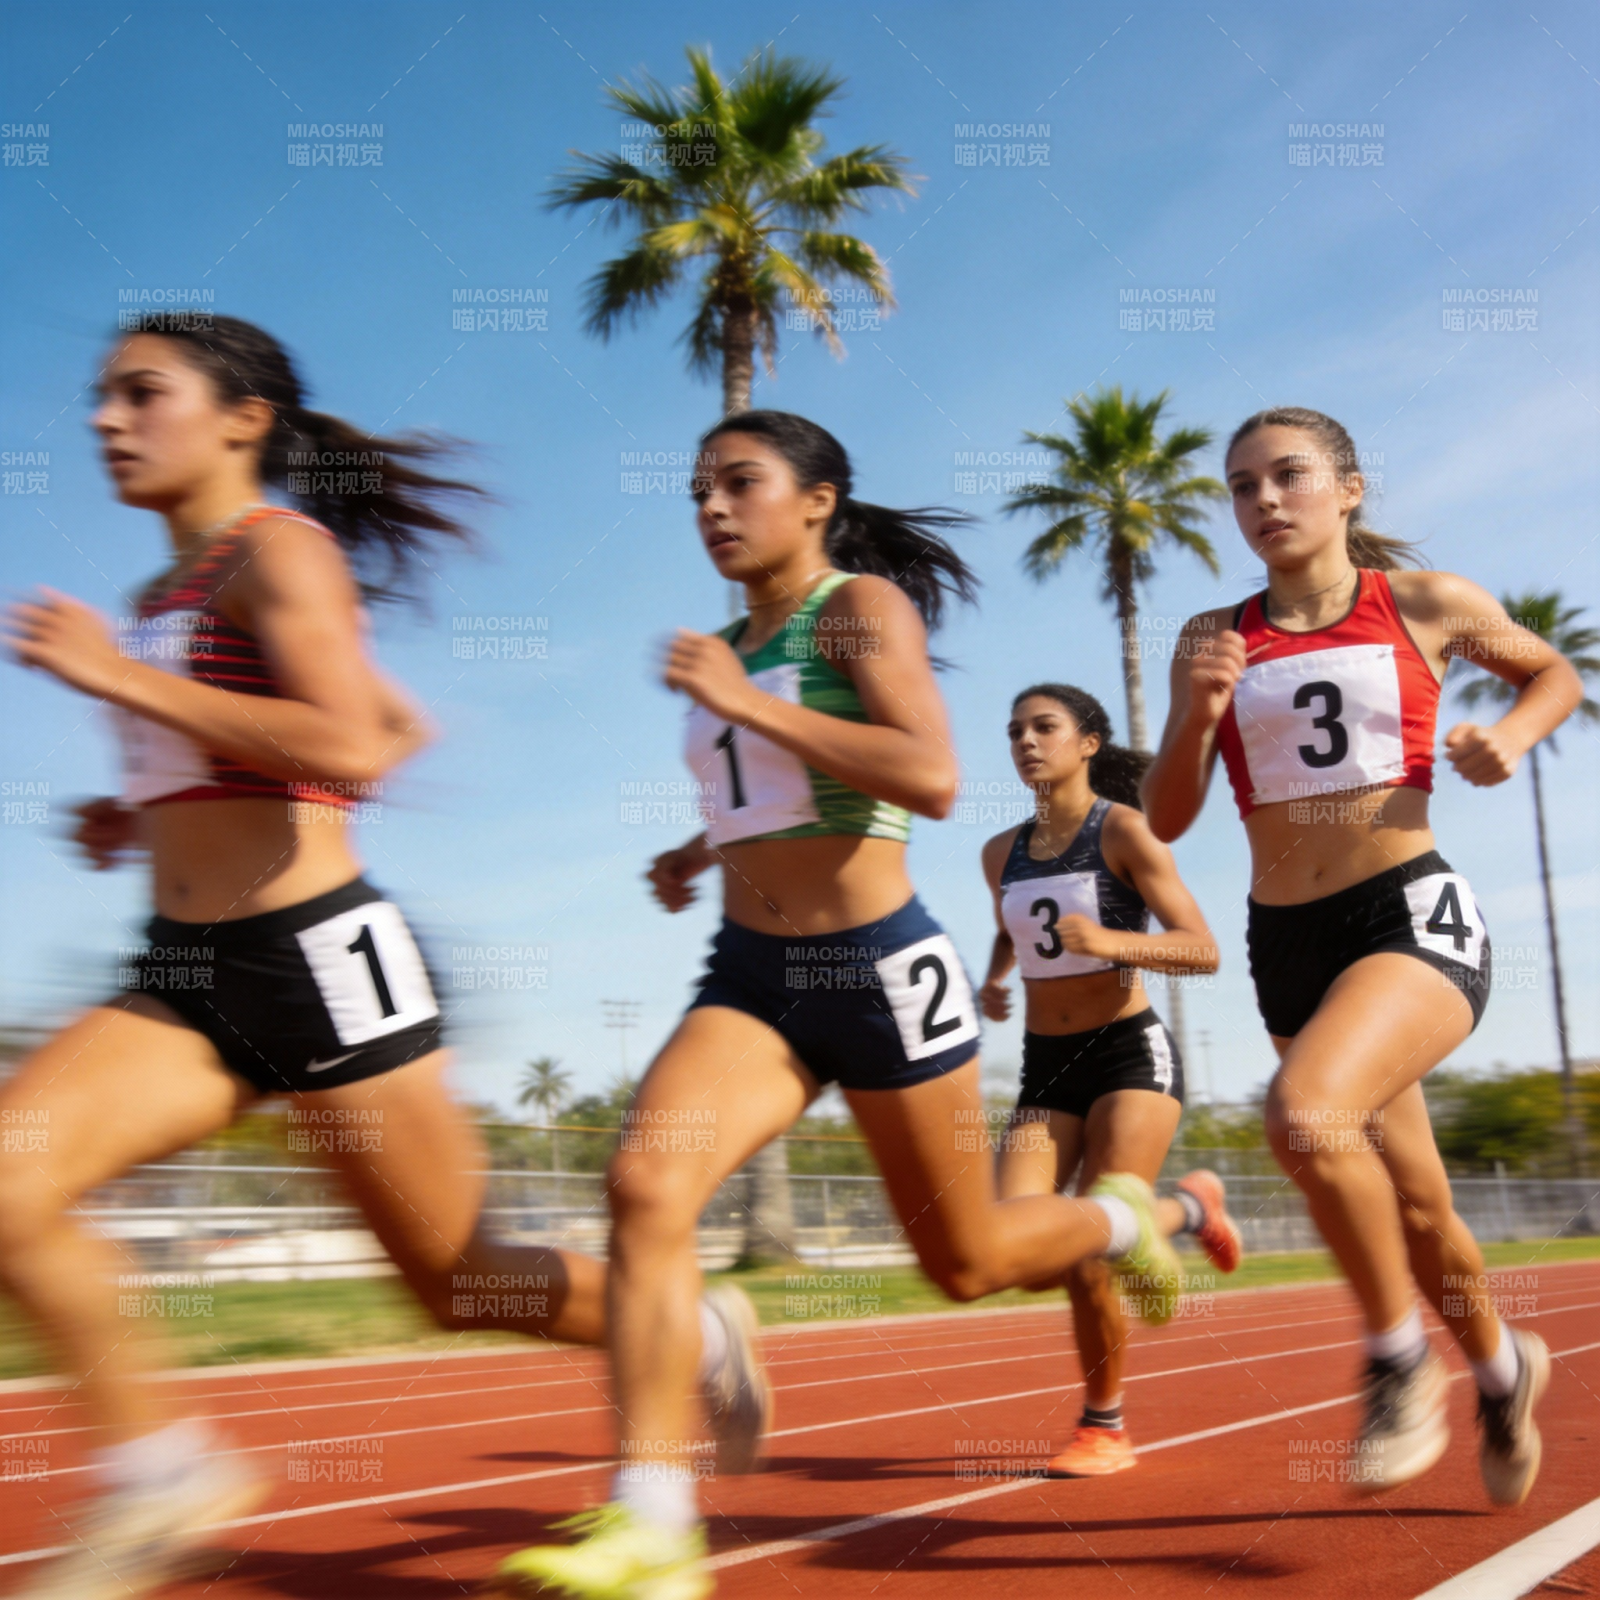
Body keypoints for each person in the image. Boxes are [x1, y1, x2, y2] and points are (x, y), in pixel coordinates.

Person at [0, 314, 762, 1600]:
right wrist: (147, 804)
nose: (103, 419)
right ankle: (158, 1471)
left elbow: (349, 740)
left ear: (242, 417)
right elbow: (380, 721)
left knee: (458, 1281)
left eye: (141, 393)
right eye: (98, 397)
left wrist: (126, 693)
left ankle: (691, 1325)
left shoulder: (279, 551)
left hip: (318, 962)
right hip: (183, 972)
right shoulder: (154, 597)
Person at [497, 411, 1187, 1600]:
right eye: (696, 489)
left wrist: (746, 701)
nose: (711, 507)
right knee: (645, 1185)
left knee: (966, 1260)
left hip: (876, 966)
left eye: (739, 483)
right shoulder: (727, 641)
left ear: (815, 500)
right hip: (751, 974)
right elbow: (774, 796)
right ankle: (654, 1519)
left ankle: (1134, 1218)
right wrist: (691, 852)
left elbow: (924, 774)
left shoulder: (858, 608)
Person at [1141, 405, 1581, 1500]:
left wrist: (1508, 739)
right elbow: (1164, 815)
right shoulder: (1212, 634)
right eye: (1240, 487)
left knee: (1304, 1114)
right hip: (1284, 940)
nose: (1263, 501)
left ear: (1348, 489)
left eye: (1287, 475)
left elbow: (1552, 673)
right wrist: (1195, 717)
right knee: (1421, 1206)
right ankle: (1498, 1366)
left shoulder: (1421, 603)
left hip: (1406, 915)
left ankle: (1395, 1360)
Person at [982, 682, 1240, 1478]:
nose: (1027, 740)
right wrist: (995, 977)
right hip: (1045, 1064)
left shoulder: (1123, 830)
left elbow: (1202, 948)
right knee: (1012, 1247)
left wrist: (1115, 943)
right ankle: (1191, 1207)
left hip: (1129, 1053)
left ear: (1087, 742)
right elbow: (1017, 923)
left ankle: (1105, 1425)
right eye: (1015, 729)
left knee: (1094, 1243)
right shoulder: (999, 851)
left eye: (1045, 727)